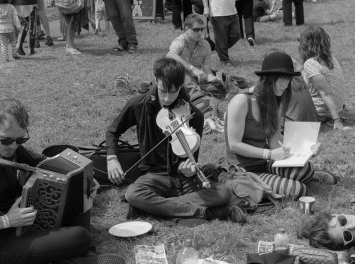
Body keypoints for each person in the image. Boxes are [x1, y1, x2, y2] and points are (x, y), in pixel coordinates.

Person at [0, 98, 92, 264]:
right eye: (6, 140)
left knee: (81, 197)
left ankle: (67, 239)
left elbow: (42, 162)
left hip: (20, 221)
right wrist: (7, 221)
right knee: (80, 236)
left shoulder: (10, 143)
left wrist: (83, 178)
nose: (13, 146)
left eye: (20, 140)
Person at [105, 57, 246, 224]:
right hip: (154, 176)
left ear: (180, 86)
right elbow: (112, 131)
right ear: (156, 80)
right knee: (133, 193)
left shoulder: (194, 115)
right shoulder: (139, 104)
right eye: (163, 90)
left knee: (223, 193)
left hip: (183, 178)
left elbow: (191, 158)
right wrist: (112, 159)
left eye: (172, 92)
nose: (166, 98)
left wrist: (190, 169)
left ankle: (152, 207)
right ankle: (208, 213)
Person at [224, 51, 323, 199]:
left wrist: (306, 149)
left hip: (266, 162)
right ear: (267, 78)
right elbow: (234, 145)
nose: (286, 84)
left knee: (306, 170)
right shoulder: (241, 101)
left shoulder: (274, 102)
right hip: (243, 169)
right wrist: (269, 154)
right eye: (282, 79)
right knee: (299, 190)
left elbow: (274, 142)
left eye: (288, 79)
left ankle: (298, 177)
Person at [298, 26, 351, 130]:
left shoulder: (310, 63)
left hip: (321, 113)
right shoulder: (331, 57)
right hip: (338, 108)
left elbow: (325, 93)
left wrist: (337, 120)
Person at [166, 14, 227, 99]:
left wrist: (212, 79)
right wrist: (192, 68)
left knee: (221, 81)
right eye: (196, 30)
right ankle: (198, 93)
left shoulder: (205, 45)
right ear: (187, 29)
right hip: (178, 75)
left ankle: (201, 91)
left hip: (196, 78)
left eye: (201, 29)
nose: (200, 33)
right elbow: (170, 55)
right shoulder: (180, 41)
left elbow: (207, 71)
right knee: (186, 76)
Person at [202, 0, 241, 66]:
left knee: (236, 34)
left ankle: (219, 48)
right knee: (221, 38)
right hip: (218, 13)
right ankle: (224, 60)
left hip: (232, 11)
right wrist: (206, 8)